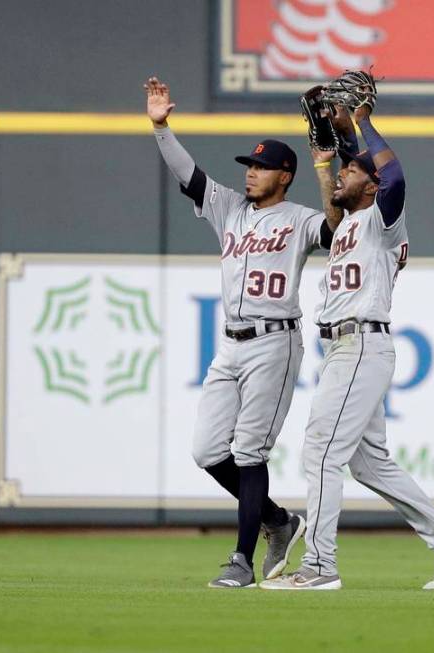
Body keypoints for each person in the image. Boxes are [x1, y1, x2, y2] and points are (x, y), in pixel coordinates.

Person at [260, 97, 434, 591]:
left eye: (352, 172)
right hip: (347, 348)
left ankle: (319, 566)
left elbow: (393, 176)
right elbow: (351, 178)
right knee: (368, 462)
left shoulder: (383, 219)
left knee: (320, 451)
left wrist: (362, 123)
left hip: (360, 344)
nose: (342, 176)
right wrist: (341, 141)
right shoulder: (352, 219)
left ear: (373, 185)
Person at [145, 76, 342, 588]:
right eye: (249, 167)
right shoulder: (230, 209)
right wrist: (162, 127)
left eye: (261, 167)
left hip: (275, 343)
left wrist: (326, 165)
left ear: (285, 175)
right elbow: (188, 176)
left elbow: (337, 227)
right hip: (230, 345)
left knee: (250, 450)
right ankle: (279, 521)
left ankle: (241, 559)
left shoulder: (300, 219)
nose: (251, 174)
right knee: (208, 451)